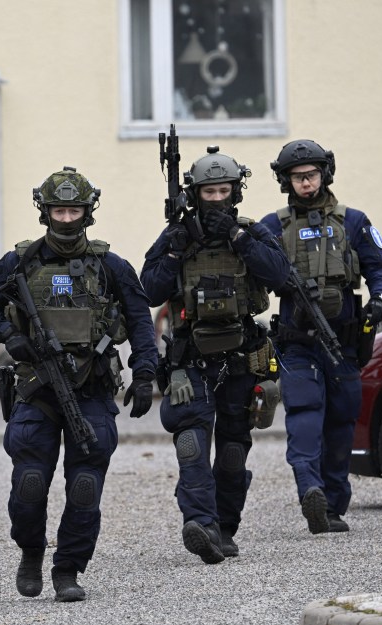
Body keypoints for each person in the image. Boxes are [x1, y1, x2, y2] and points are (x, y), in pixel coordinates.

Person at [0, 167, 158, 602]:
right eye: (59, 209)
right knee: (30, 481)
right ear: (45, 211)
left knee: (86, 486)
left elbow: (140, 322)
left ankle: (68, 569)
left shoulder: (111, 266)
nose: (67, 218)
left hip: (91, 389)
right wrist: (10, 336)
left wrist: (146, 373)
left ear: (87, 211)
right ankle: (32, 552)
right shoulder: (19, 262)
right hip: (37, 390)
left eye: (74, 209)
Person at [140, 146, 289, 563]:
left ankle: (225, 527)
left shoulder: (251, 231)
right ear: (195, 193)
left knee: (231, 453)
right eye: (209, 192)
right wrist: (173, 252)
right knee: (190, 444)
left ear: (236, 191)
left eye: (224, 190)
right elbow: (147, 290)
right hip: (191, 360)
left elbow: (281, 276)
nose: (217, 199)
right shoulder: (177, 237)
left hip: (241, 357)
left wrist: (239, 240)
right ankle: (199, 524)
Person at [259, 139, 382, 535]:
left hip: (344, 341)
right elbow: (254, 275)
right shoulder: (273, 226)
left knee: (341, 423)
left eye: (312, 175)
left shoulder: (353, 221)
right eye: (298, 177)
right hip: (298, 342)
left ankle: (333, 507)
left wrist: (380, 299)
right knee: (304, 416)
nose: (306, 183)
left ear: (325, 174)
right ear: (287, 181)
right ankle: (310, 490)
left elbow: (378, 267)